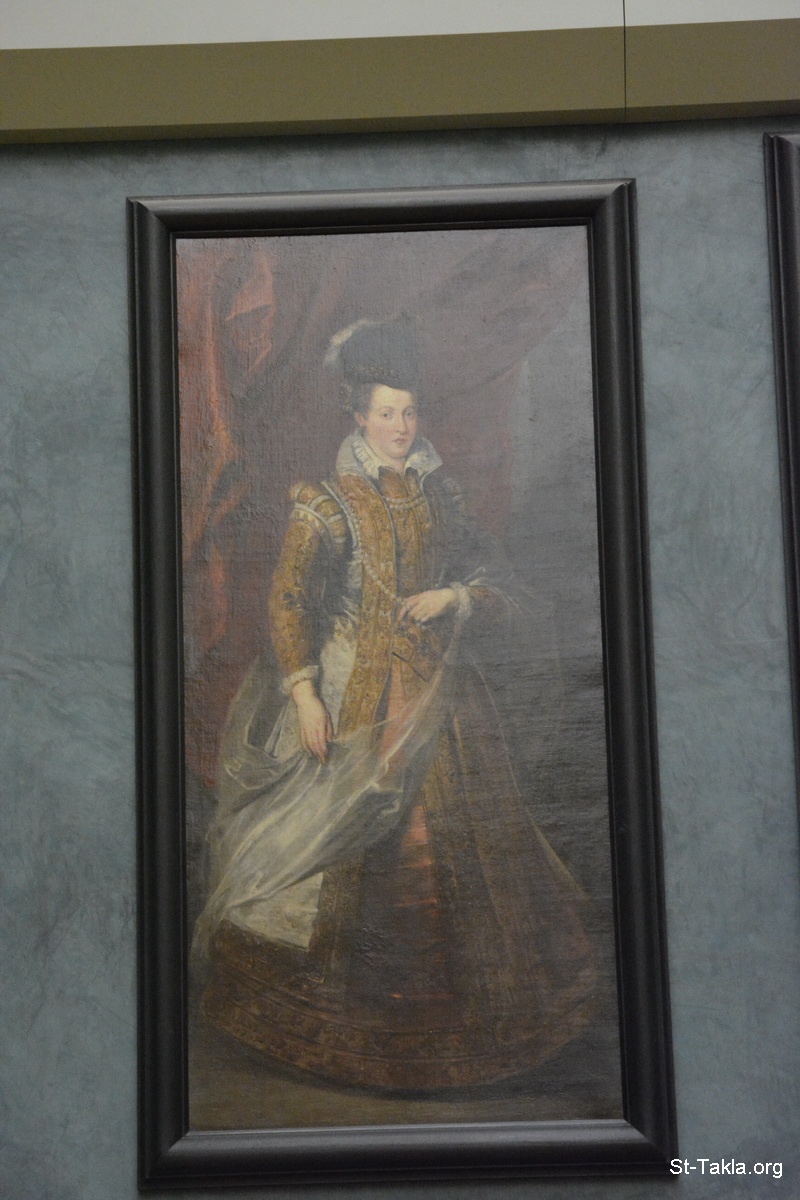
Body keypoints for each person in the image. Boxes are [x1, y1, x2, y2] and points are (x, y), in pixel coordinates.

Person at [194, 316, 597, 1090]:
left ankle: (465, 1035)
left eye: (409, 412)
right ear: (359, 416)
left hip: (444, 704)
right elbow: (288, 602)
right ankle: (330, 1030)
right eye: (386, 412)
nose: (401, 426)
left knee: (470, 855)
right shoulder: (323, 503)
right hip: (353, 702)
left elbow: (499, 583)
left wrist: (455, 596)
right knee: (343, 848)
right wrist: (305, 695)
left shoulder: (442, 499)